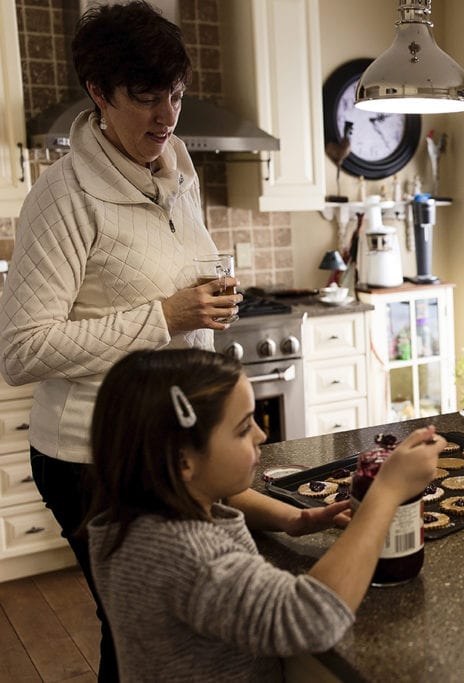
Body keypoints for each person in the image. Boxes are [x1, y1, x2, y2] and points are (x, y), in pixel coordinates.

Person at [0, 3, 237, 678]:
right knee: (137, 625)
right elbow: (20, 348)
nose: (166, 116)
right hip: (91, 457)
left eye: (177, 96)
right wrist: (165, 315)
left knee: (161, 624)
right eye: (145, 98)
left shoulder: (176, 170)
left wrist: (206, 299)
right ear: (99, 95)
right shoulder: (63, 197)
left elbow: (165, 281)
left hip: (165, 442)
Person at [86, 348, 443, 681]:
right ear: (183, 461)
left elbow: (231, 498)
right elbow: (311, 618)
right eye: (243, 428)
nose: (261, 434)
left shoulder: (130, 516)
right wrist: (386, 492)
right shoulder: (188, 554)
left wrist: (294, 519)